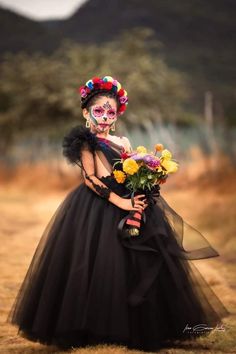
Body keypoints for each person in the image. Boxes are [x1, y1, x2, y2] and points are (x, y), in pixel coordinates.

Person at [7, 75, 229, 352]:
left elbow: (129, 170)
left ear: (117, 114)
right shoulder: (86, 141)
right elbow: (90, 179)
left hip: (129, 200)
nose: (104, 117)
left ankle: (141, 326)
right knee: (100, 264)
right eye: (98, 111)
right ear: (86, 112)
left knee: (139, 261)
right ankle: (94, 326)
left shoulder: (122, 141)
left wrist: (147, 183)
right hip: (98, 205)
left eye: (110, 111)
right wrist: (120, 203)